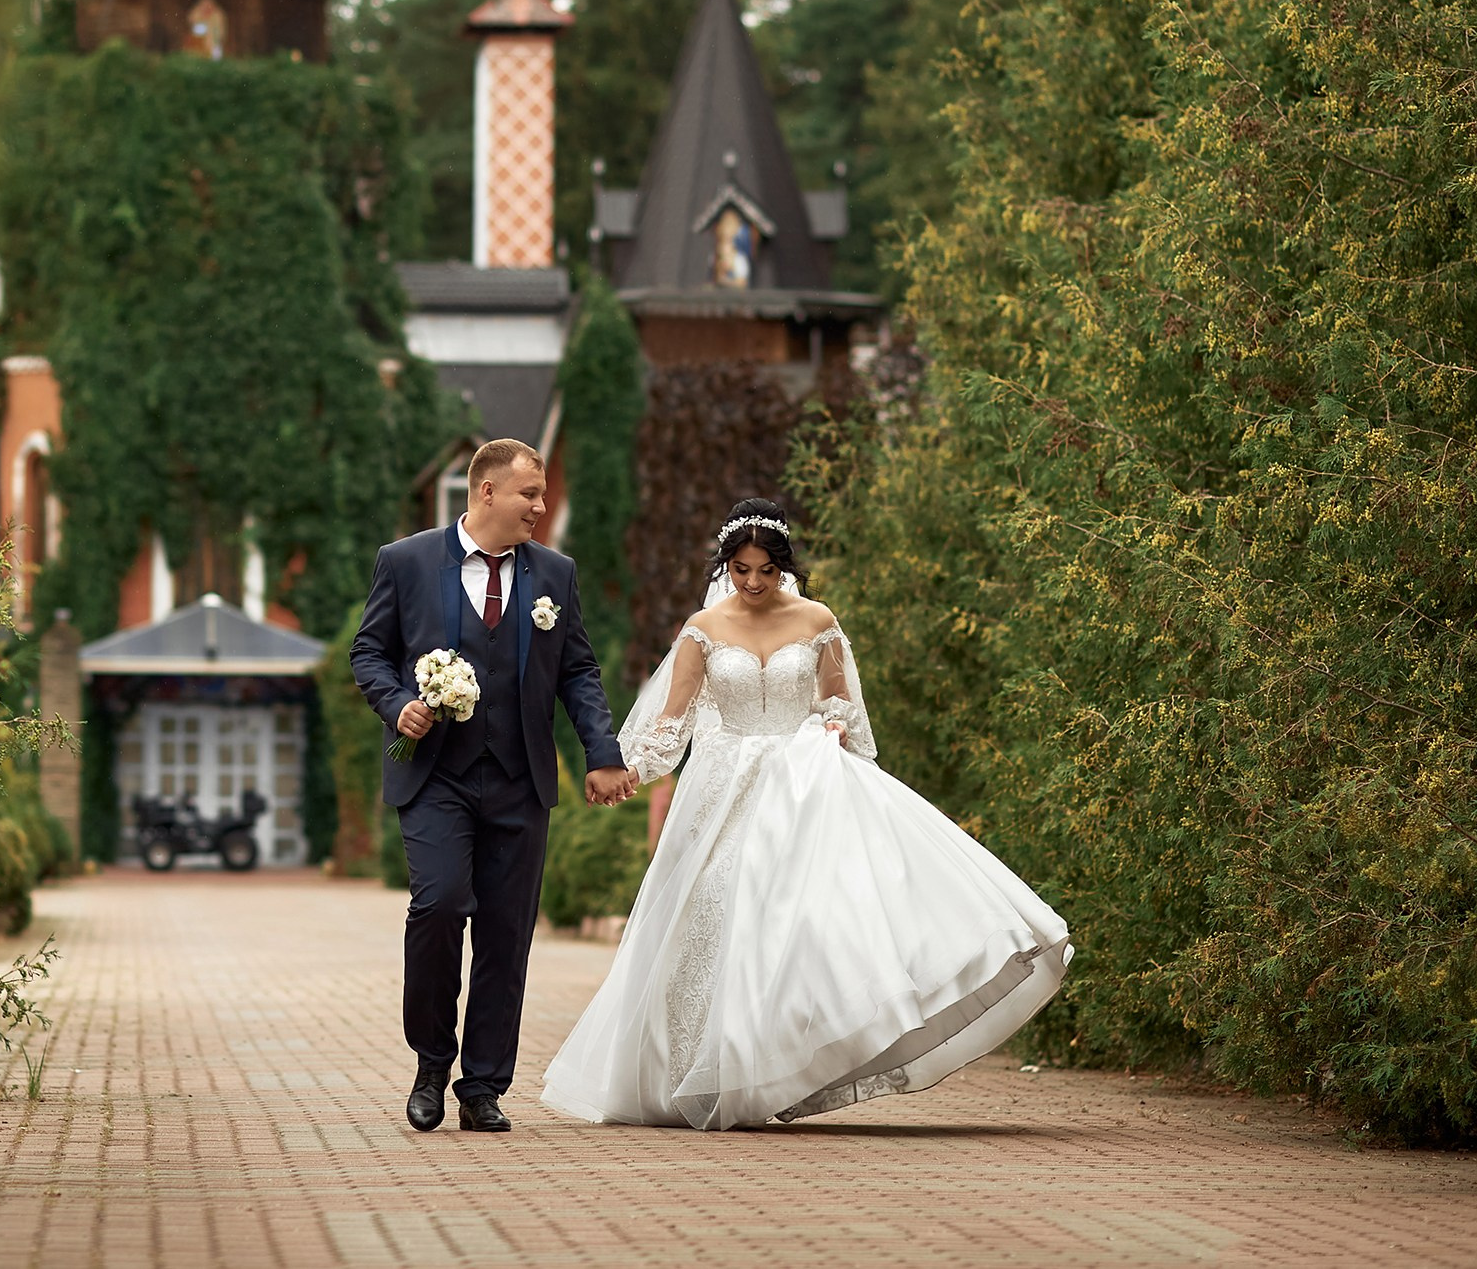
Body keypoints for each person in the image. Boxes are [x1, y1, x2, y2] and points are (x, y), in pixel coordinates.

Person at [539, 499, 1072, 1130]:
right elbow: (671, 723)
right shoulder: (702, 630)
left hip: (801, 783)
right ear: (726, 567)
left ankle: (770, 1072)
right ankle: (694, 1071)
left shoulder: (817, 621)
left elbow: (842, 707)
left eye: (766, 570)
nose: (755, 583)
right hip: (723, 789)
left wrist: (828, 731)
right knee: (712, 911)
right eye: (741, 571)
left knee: (802, 922)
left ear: (784, 567)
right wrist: (626, 772)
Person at [349, 438, 638, 1133]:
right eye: (529, 494)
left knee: (507, 936)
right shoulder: (408, 561)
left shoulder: (555, 575)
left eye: (541, 495)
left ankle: (482, 1085)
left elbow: (577, 671)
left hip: (520, 777)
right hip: (436, 776)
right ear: (485, 492)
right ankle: (430, 1062)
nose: (541, 506)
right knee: (441, 904)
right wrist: (398, 705)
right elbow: (370, 651)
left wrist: (602, 752)